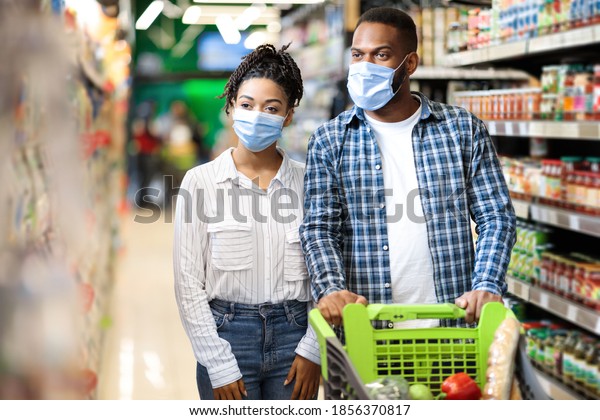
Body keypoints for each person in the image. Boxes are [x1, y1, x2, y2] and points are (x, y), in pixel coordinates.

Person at [300, 8, 516, 329]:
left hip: (452, 323)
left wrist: (486, 284)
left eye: (381, 55)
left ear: (410, 64)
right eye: (358, 55)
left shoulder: (461, 129)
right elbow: (319, 229)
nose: (365, 66)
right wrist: (331, 289)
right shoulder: (330, 140)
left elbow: (496, 216)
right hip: (367, 329)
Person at [173, 44, 321, 400]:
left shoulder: (310, 182)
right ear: (231, 108)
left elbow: (325, 273)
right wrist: (217, 363)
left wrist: (313, 349)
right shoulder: (201, 182)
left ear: (288, 116)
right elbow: (188, 284)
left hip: (295, 336)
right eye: (247, 105)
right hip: (227, 335)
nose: (257, 116)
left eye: (272, 108)